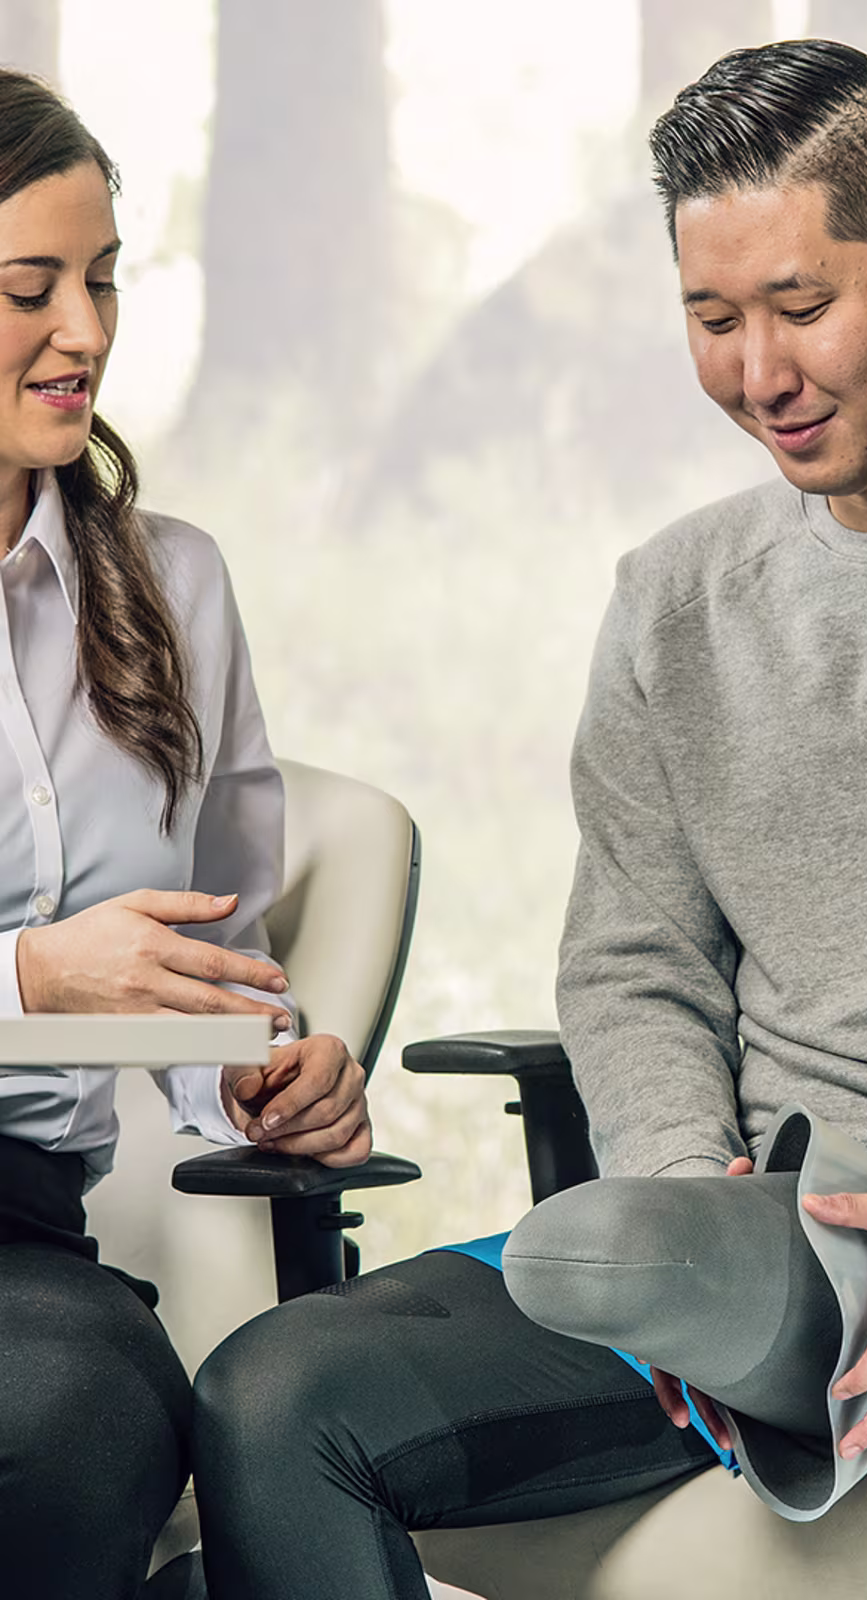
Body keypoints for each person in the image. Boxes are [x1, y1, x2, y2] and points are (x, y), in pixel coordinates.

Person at [191, 38, 867, 1597]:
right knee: (274, 1400)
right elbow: (635, 958)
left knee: (802, 1298)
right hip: (758, 1224)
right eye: (712, 320)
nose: (757, 373)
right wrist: (680, 1171)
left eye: (801, 307)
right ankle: (715, 1278)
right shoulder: (676, 602)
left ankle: (742, 1294)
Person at [0, 70, 373, 1598]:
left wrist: (268, 1080)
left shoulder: (176, 589)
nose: (85, 333)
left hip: (20, 1246)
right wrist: (30, 979)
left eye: (101, 282)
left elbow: (221, 968)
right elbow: (71, 979)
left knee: (77, 1424)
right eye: (31, 288)